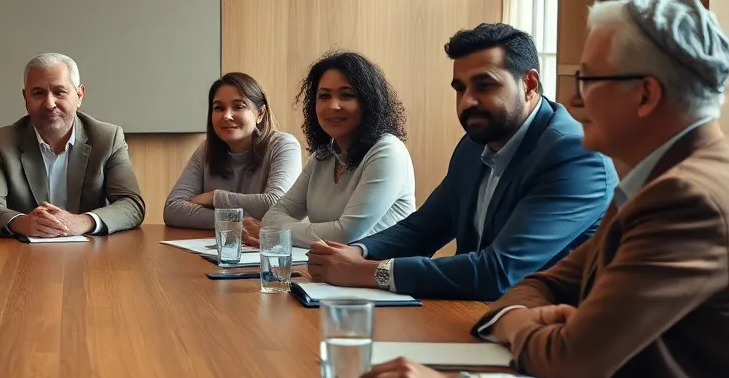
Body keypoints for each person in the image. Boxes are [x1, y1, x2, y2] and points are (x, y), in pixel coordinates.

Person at [357, 0, 729, 378]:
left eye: (588, 79)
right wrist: (531, 316)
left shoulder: (686, 197)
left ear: (645, 94)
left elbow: (574, 356)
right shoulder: (653, 179)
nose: (574, 97)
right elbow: (543, 283)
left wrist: (512, 324)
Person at [307, 24, 617, 300]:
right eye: (460, 89)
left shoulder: (574, 155)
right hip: (475, 316)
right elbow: (424, 228)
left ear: (530, 84)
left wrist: (366, 272)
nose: (467, 102)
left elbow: (498, 272)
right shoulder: (474, 144)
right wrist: (356, 252)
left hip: (548, 336)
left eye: (485, 85)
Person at [247, 52, 414, 246]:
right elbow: (272, 217)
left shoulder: (387, 152)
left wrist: (275, 234)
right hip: (326, 270)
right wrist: (275, 229)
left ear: (369, 102)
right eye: (324, 96)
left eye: (346, 95)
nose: (333, 106)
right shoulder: (323, 156)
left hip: (378, 272)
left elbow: (345, 235)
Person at [0, 53, 146, 237]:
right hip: (23, 254)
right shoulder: (2, 141)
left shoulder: (108, 138)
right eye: (38, 93)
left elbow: (132, 204)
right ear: (25, 99)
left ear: (79, 95)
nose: (49, 103)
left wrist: (83, 221)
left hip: (91, 254)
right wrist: (22, 222)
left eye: (59, 91)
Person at [163, 72, 302, 228]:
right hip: (220, 247)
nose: (227, 116)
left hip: (271, 249)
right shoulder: (206, 149)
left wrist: (215, 198)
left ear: (260, 114)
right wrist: (236, 222)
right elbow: (173, 209)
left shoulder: (283, 145)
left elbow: (276, 203)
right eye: (219, 108)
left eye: (238, 106)